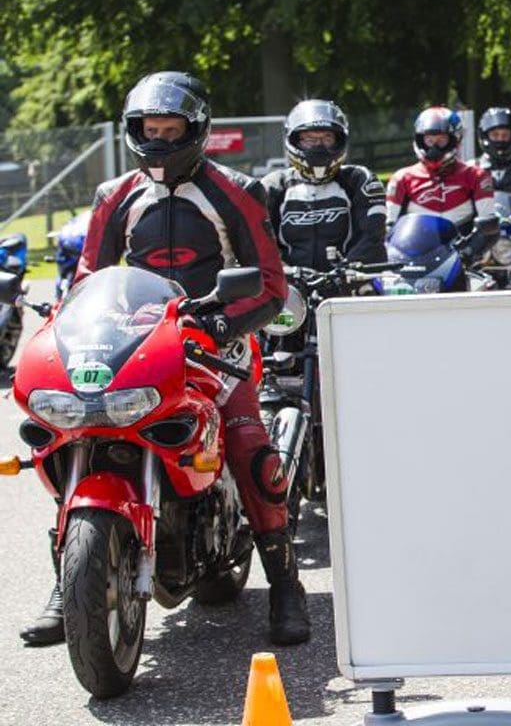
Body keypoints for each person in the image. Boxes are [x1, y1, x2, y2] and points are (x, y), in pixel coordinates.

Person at [21, 71, 310, 648]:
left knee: (251, 449)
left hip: (216, 346)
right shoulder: (115, 196)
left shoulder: (236, 190)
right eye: (147, 130)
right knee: (69, 433)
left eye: (169, 129)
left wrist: (223, 323)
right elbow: (88, 279)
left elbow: (271, 286)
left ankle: (285, 585)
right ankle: (69, 576)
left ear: (195, 129)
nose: (157, 140)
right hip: (136, 344)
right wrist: (67, 322)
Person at [261, 99, 387, 271]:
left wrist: (346, 272)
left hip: (351, 284)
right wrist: (285, 272)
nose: (318, 147)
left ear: (339, 140)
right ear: (294, 141)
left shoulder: (359, 180)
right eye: (309, 139)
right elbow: (259, 244)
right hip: (288, 287)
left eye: (327, 138)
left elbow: (372, 237)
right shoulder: (274, 186)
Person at [386, 107, 497, 265]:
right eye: (429, 140)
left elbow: (488, 223)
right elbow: (388, 227)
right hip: (414, 259)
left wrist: (469, 252)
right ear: (419, 140)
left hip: (464, 258)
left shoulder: (477, 176)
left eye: (441, 140)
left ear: (454, 140)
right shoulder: (401, 178)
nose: (434, 147)